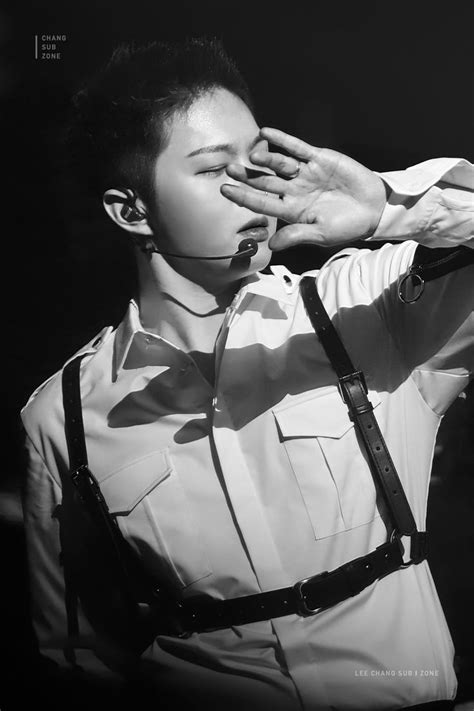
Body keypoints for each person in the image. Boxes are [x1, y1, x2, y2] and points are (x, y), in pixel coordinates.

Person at [20, 37, 473, 711]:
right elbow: (81, 657)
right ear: (130, 208)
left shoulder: (356, 310)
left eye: (256, 162)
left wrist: (386, 208)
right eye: (213, 169)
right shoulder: (61, 414)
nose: (255, 190)